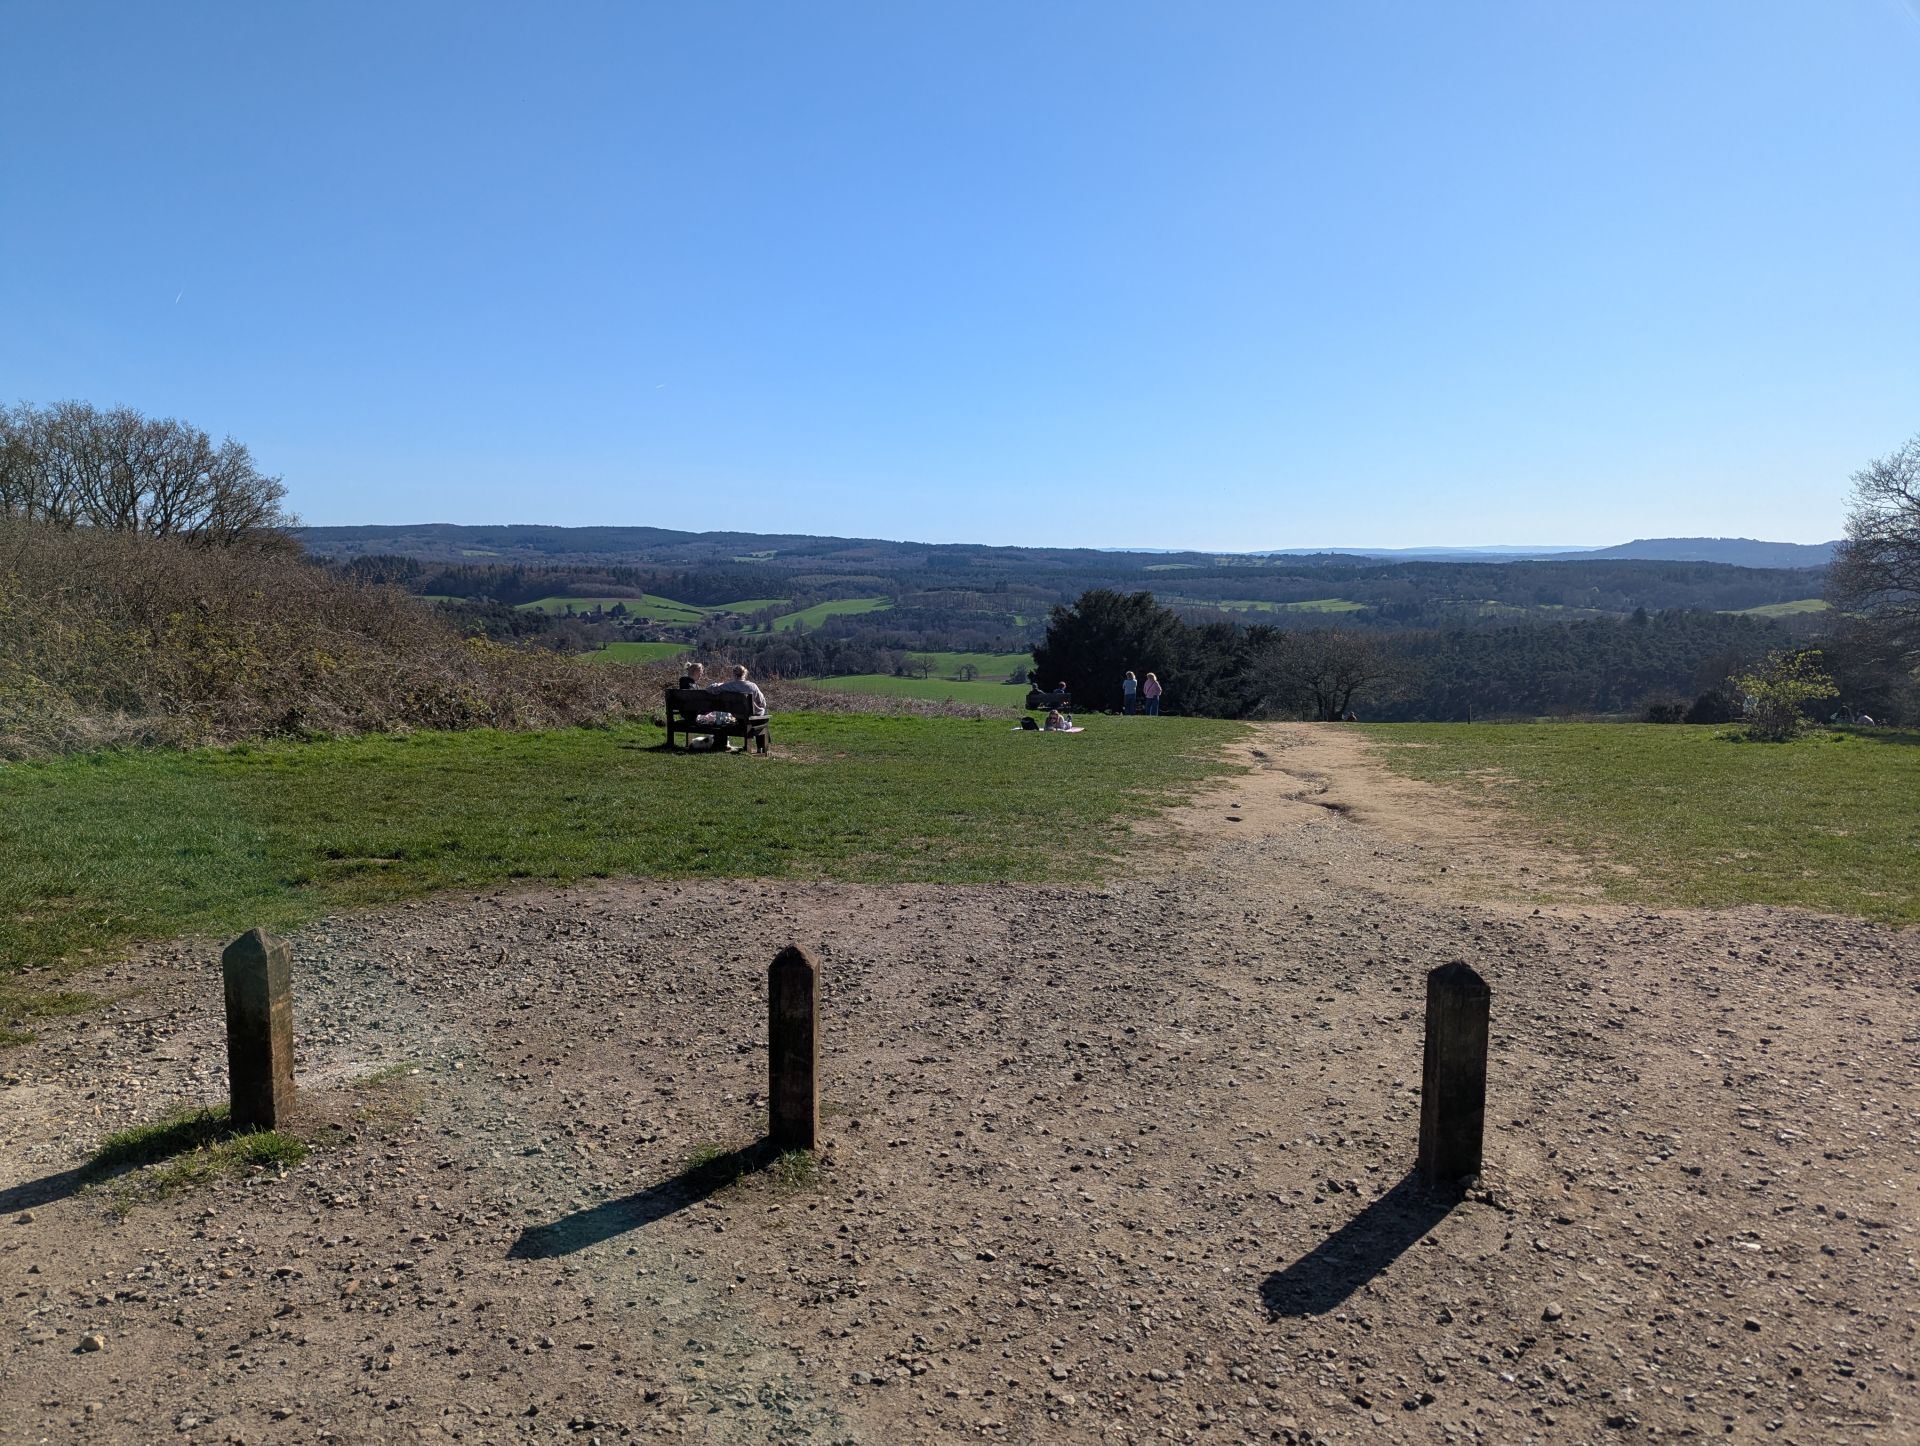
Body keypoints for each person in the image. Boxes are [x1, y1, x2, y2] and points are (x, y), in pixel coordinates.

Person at [714, 664, 770, 753]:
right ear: (745, 674)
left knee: (759, 717)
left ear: (734, 674)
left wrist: (718, 684)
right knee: (764, 718)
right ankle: (761, 747)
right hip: (752, 718)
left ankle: (754, 746)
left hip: (739, 718)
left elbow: (714, 689)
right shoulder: (752, 686)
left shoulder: (729, 686)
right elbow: (762, 702)